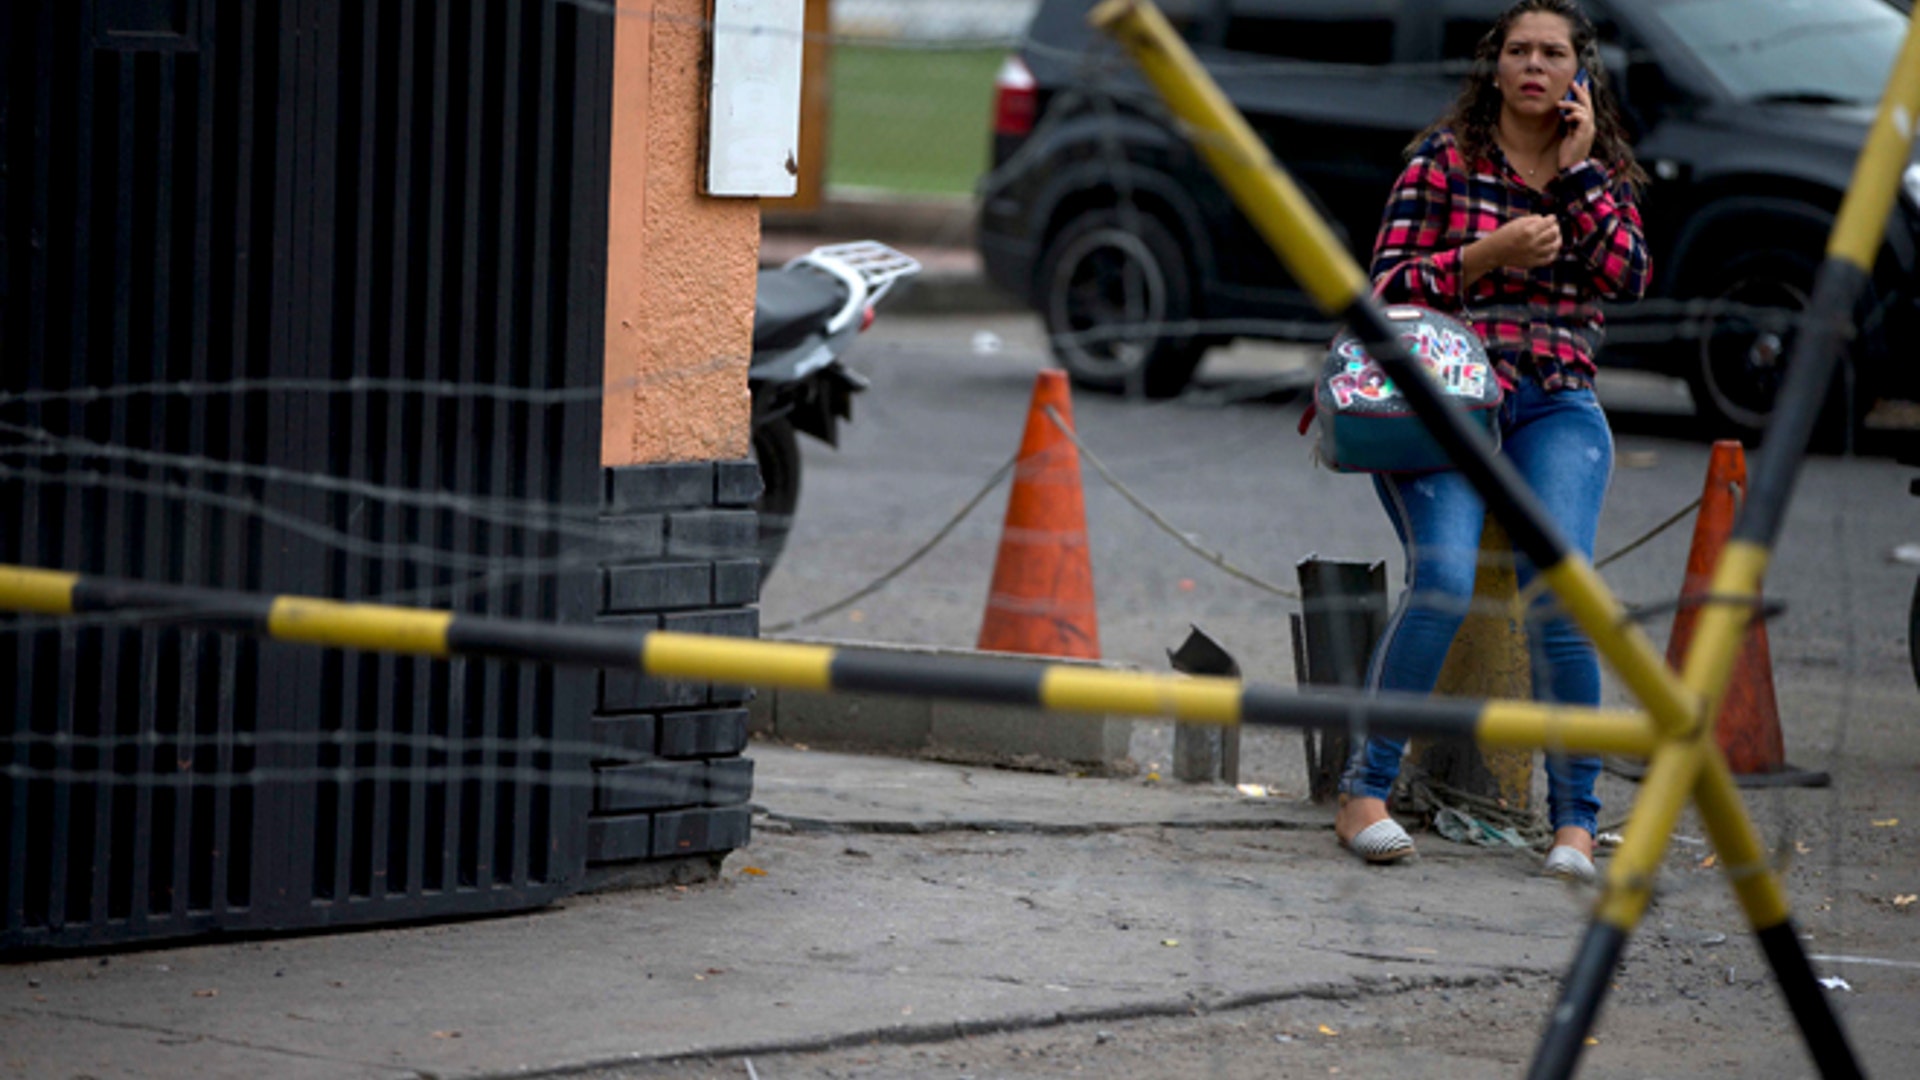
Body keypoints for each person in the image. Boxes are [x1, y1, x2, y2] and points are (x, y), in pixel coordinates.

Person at [1331, 0, 1651, 881]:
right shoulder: (1443, 162)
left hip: (1554, 401)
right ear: (1495, 67)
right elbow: (1385, 287)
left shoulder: (1601, 172)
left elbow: (1628, 275)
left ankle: (1576, 825)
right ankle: (1365, 793)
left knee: (1567, 589)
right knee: (1442, 575)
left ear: (1580, 76)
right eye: (1520, 51)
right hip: (1445, 403)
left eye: (1554, 53)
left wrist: (1581, 178)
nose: (1535, 66)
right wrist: (1486, 255)